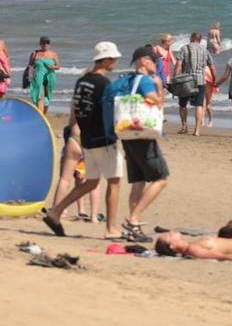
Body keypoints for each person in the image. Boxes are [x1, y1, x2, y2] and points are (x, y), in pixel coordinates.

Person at [42, 42, 126, 240]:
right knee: (114, 182)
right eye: (113, 59)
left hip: (86, 139)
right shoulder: (103, 84)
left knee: (91, 182)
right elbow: (111, 113)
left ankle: (55, 212)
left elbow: (79, 110)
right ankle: (111, 228)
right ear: (105, 60)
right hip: (103, 140)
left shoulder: (82, 81)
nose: (116, 62)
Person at [119, 45, 171, 240]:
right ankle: (133, 219)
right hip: (142, 134)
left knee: (138, 181)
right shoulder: (145, 81)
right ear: (143, 61)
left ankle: (133, 230)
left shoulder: (126, 80)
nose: (156, 64)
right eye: (154, 60)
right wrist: (158, 87)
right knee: (161, 178)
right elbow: (155, 102)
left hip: (127, 133)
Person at [175, 31, 210, 136]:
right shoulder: (205, 51)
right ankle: (197, 130)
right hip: (200, 81)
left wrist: (175, 79)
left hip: (187, 81)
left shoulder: (184, 48)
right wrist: (215, 80)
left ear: (191, 38)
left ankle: (184, 126)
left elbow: (178, 65)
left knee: (182, 105)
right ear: (200, 40)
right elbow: (211, 66)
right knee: (199, 105)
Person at [27, 36, 61, 113]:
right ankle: (40, 115)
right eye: (43, 43)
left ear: (49, 44)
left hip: (49, 78)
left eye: (47, 43)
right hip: (38, 78)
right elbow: (30, 66)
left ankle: (43, 115)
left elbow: (58, 66)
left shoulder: (53, 54)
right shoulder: (35, 53)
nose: (45, 44)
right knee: (39, 96)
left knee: (47, 97)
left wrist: (52, 67)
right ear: (40, 44)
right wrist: (30, 79)